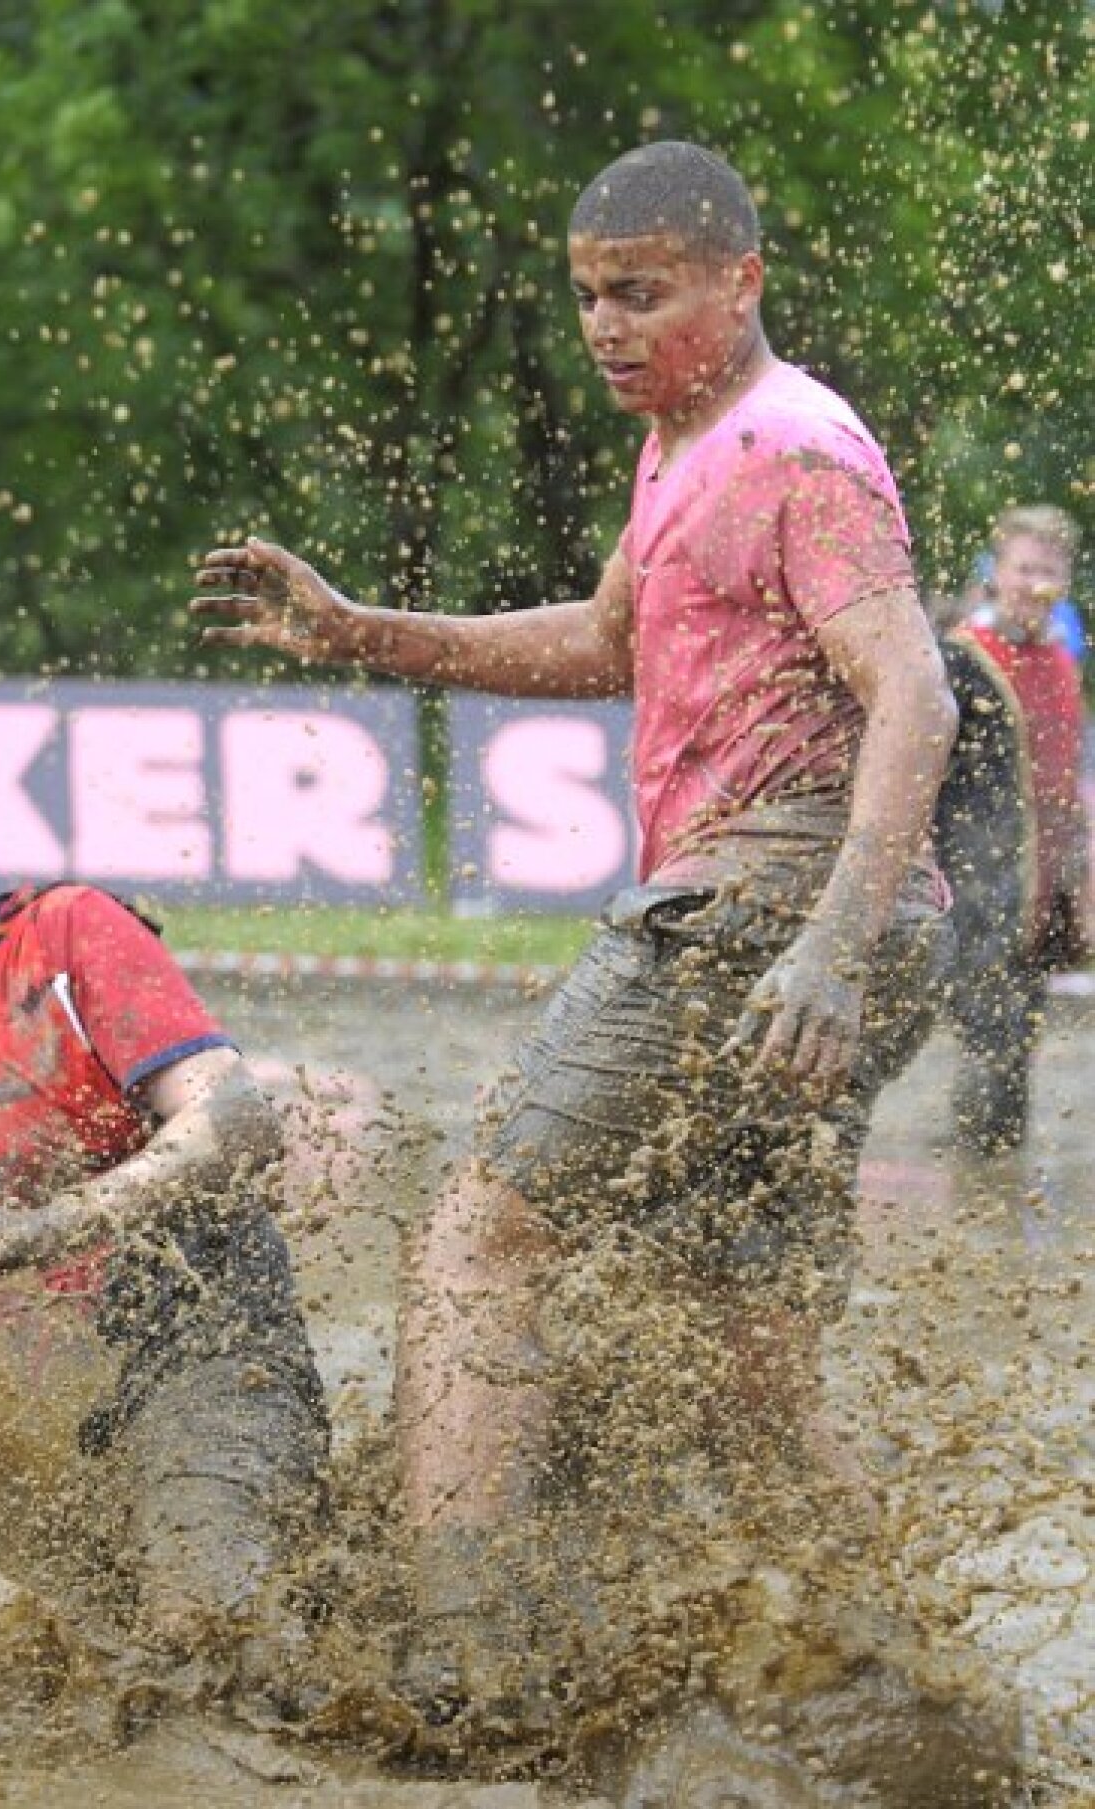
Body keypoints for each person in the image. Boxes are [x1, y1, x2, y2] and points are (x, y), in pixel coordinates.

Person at [190, 140, 957, 1719]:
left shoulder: (790, 452)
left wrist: (824, 939)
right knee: (746, 1349)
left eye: (643, 293)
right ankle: (900, 1688)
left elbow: (922, 697)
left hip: (769, 897)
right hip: (813, 921)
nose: (607, 327)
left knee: (481, 1232)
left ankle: (465, 1662)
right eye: (589, 297)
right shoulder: (685, 443)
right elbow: (611, 637)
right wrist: (359, 632)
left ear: (740, 281)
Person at [0, 690, 328, 1665]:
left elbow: (237, 1115)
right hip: (46, 1420)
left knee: (204, 1652)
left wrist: (53, 1226)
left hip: (207, 1358)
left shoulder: (65, 931)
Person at [935, 504, 1089, 1154]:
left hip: (1037, 893)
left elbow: (1066, 782)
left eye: (1049, 571)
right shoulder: (959, 658)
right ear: (997, 573)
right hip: (970, 888)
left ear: (1066, 580)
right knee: (990, 1044)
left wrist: (1078, 885)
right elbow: (922, 774)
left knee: (1016, 1047)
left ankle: (989, 1189)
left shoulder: (1059, 663)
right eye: (1024, 568)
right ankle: (970, 1193)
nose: (1034, 583)